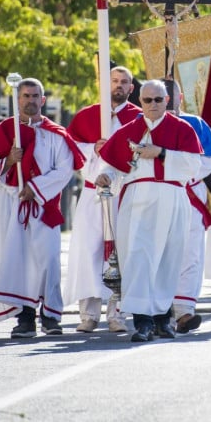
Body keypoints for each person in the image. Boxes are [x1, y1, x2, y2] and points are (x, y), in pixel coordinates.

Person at [0, 78, 85, 338]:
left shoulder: (56, 133)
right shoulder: (5, 130)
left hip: (43, 205)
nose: (30, 100)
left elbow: (65, 170)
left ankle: (50, 316)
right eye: (25, 96)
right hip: (11, 204)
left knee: (48, 260)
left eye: (35, 96)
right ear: (18, 99)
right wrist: (9, 162)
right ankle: (24, 318)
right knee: (16, 260)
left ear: (42, 100)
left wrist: (34, 189)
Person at [95, 80, 203, 343]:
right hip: (137, 200)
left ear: (167, 100)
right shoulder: (127, 131)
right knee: (139, 259)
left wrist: (162, 153)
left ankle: (163, 319)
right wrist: (105, 177)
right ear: (140, 101)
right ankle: (142, 322)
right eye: (147, 100)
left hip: (172, 196)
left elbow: (193, 166)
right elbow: (111, 164)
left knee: (168, 258)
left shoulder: (183, 128)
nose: (152, 105)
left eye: (158, 100)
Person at [64, 67, 141, 333]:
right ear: (105, 84)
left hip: (124, 194)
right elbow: (71, 152)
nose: (118, 86)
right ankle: (89, 314)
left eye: (124, 82)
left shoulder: (139, 118)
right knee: (89, 252)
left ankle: (117, 313)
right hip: (91, 193)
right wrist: (92, 149)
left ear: (131, 88)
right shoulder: (87, 115)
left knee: (121, 253)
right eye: (114, 81)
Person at [168, 82, 211, 335]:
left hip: (190, 193)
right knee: (161, 253)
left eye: (169, 96)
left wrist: (184, 175)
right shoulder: (141, 123)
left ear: (180, 96)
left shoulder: (197, 124)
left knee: (190, 253)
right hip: (157, 193)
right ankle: (159, 311)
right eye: (158, 97)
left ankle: (184, 311)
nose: (164, 101)